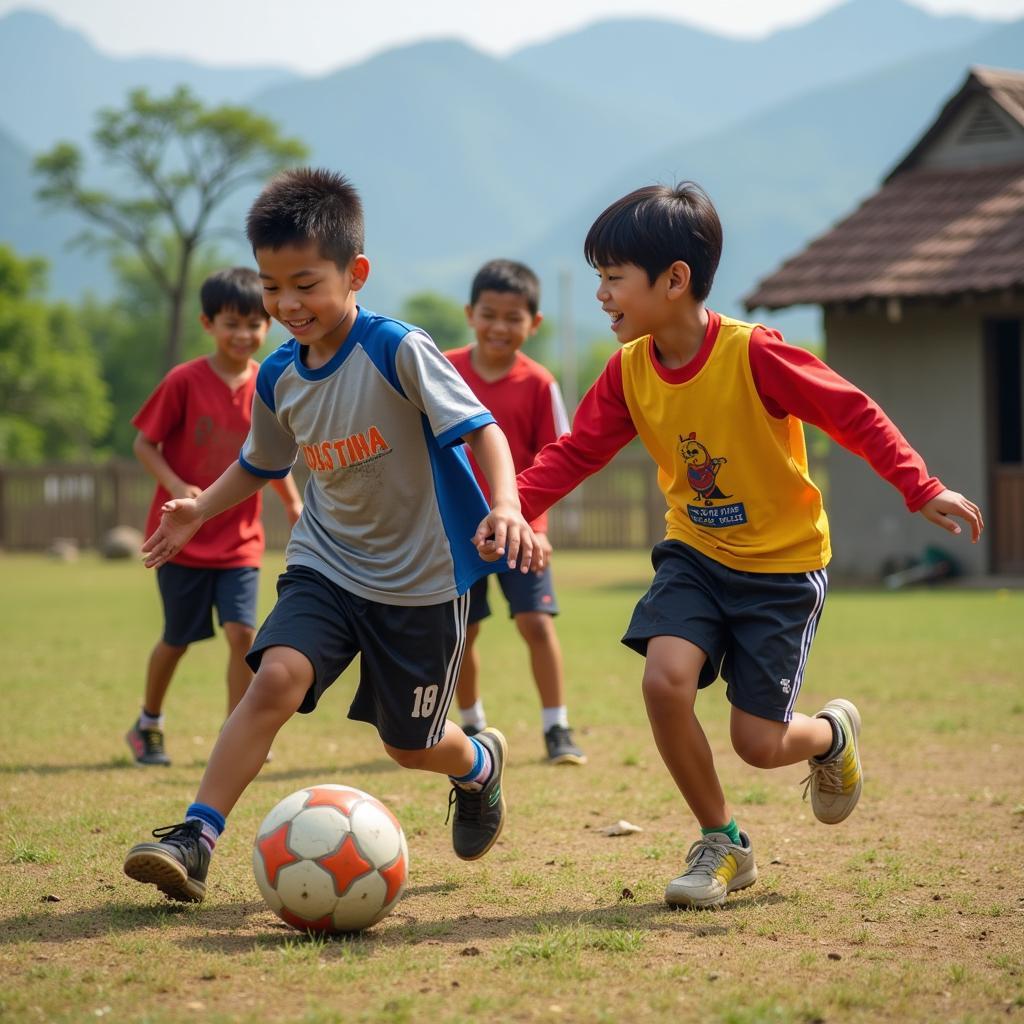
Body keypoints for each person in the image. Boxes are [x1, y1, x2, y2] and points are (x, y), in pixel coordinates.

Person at [495, 183, 984, 909]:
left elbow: (852, 414)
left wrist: (919, 487)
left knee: (758, 742)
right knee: (664, 680)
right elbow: (573, 454)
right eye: (597, 276)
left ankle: (828, 737)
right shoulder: (628, 371)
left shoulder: (754, 354)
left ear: (674, 280)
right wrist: (509, 508)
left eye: (612, 276)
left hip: (782, 569)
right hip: (694, 553)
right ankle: (722, 841)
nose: (601, 294)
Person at [123, 168, 541, 903]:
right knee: (272, 678)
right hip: (328, 564)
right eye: (271, 286)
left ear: (356, 274)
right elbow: (262, 462)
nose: (286, 305)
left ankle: (477, 765)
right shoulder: (278, 374)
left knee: (409, 748)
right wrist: (200, 508)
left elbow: (485, 431)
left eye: (306, 284)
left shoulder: (398, 348)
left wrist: (505, 506)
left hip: (421, 580)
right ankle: (196, 838)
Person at [125, 267, 303, 767]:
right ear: (208, 323)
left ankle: (237, 734)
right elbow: (144, 442)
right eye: (232, 323)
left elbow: (270, 455)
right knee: (177, 639)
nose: (244, 334)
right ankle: (148, 724)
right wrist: (178, 485)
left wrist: (291, 503)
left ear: (267, 325)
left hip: (239, 540)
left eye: (254, 324)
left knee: (243, 635)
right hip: (182, 538)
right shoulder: (183, 380)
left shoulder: (269, 381)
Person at [446, 259, 585, 765]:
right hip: (456, 532)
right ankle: (471, 725)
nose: (500, 327)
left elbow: (557, 459)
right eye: (489, 314)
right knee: (464, 630)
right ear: (470, 314)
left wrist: (539, 527)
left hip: (520, 530)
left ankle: (558, 729)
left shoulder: (539, 383)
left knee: (537, 623)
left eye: (513, 317)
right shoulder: (444, 371)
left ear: (535, 323)